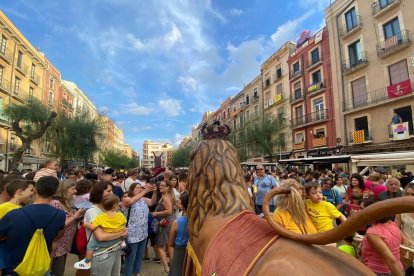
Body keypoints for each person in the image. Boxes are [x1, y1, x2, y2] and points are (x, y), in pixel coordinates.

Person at [0, 176, 66, 275]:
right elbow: (58, 237)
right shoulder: (60, 215)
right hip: (40, 268)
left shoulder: (14, 214)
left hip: (14, 268)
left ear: (35, 190)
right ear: (56, 192)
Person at [83, 181, 127, 276]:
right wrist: (121, 233)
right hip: (102, 254)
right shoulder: (93, 212)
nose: (112, 193)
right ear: (99, 193)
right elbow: (101, 237)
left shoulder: (109, 209)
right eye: (109, 191)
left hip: (114, 250)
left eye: (112, 190)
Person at [75, 194, 126, 270]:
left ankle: (87, 262)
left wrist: (85, 224)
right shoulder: (120, 215)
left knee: (90, 245)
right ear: (116, 206)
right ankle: (123, 242)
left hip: (105, 242)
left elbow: (92, 227)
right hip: (117, 240)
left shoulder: (101, 217)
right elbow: (124, 224)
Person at [362, 199, 407, 276]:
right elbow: (405, 242)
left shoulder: (373, 232)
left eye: (363, 210)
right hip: (398, 269)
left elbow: (390, 260)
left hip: (378, 271)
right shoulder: (393, 225)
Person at [50, 179, 85, 276]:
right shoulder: (55, 203)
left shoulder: (68, 202)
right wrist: (75, 216)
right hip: (57, 247)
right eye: (73, 189)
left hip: (65, 245)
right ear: (65, 189)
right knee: (57, 271)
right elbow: (58, 225)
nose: (75, 191)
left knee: (60, 270)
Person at [122, 182, 157, 276]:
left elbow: (152, 202)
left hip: (143, 233)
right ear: (132, 190)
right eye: (137, 188)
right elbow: (129, 202)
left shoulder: (142, 199)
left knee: (139, 256)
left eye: (141, 188)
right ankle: (128, 274)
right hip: (132, 234)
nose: (140, 189)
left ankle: (136, 272)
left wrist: (154, 192)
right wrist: (145, 191)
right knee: (131, 257)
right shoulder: (127, 198)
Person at [0, 179, 35, 273]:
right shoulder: (3, 208)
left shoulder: (24, 208)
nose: (33, 194)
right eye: (31, 190)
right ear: (20, 192)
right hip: (4, 252)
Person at [152, 179, 176, 274]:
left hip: (165, 223)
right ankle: (173, 266)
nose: (160, 187)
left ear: (168, 187)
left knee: (160, 246)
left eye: (163, 185)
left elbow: (169, 211)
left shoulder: (165, 198)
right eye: (160, 185)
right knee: (169, 245)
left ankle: (166, 268)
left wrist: (156, 213)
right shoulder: (169, 196)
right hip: (170, 222)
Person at [395, 183, 414, 276]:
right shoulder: (401, 208)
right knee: (406, 272)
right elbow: (396, 226)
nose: (409, 196)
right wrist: (405, 239)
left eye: (413, 194)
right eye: (407, 194)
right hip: (406, 247)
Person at [168, 192, 189, 276]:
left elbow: (170, 243)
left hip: (180, 251)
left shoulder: (177, 222)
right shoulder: (198, 221)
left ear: (183, 205)